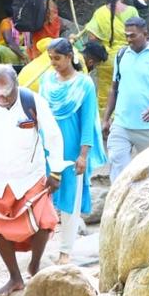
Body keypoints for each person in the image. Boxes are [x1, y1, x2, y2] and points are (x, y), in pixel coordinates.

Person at [0, 65, 67, 296]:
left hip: (30, 175)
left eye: (6, 93)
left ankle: (35, 264)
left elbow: (54, 136)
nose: (1, 99)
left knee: (44, 222)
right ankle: (14, 277)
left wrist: (56, 171)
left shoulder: (33, 102)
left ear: (16, 83)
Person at [38, 40, 106, 265]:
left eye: (57, 58)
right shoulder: (46, 80)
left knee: (70, 197)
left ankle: (65, 251)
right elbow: (39, 115)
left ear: (70, 57)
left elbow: (87, 122)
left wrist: (83, 155)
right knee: (43, 196)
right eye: (51, 59)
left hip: (71, 147)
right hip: (47, 147)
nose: (53, 63)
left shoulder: (84, 84)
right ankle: (39, 248)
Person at [102, 17, 149, 181]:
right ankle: (119, 204)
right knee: (119, 172)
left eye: (133, 35)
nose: (128, 39)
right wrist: (106, 119)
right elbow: (114, 88)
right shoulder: (121, 56)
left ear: (146, 34)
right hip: (121, 125)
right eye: (126, 35)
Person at [84, 0, 140, 112]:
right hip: (128, 58)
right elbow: (139, 34)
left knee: (105, 95)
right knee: (126, 92)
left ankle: (104, 125)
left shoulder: (100, 12)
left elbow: (92, 37)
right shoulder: (131, 11)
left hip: (106, 60)